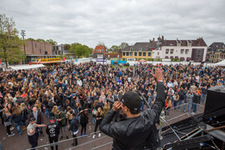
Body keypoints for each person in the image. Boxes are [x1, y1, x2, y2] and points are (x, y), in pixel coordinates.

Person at [100, 68, 165, 150]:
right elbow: (160, 101)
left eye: (122, 105)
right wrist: (159, 80)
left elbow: (102, 126)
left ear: (126, 109)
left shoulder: (119, 127)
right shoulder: (150, 117)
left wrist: (113, 110)